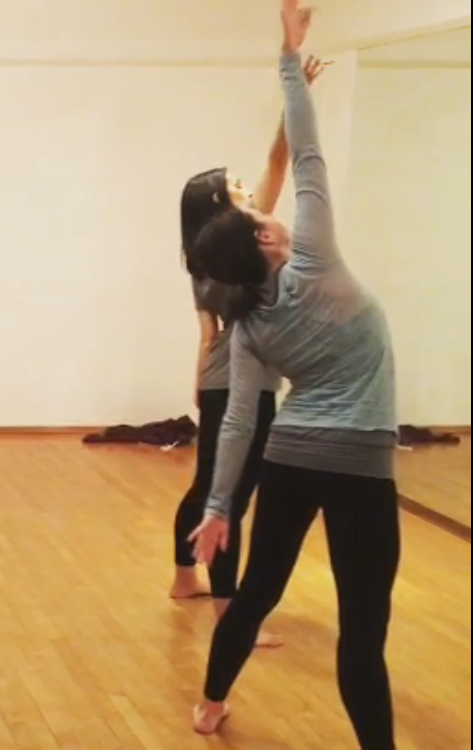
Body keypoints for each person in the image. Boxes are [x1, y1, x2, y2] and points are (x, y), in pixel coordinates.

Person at [188, 5, 399, 747]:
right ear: (265, 242)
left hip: (291, 461)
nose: (264, 214)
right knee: (362, 631)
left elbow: (241, 421)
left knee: (255, 594)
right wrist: (288, 57)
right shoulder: (314, 257)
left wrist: (221, 506)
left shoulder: (247, 326)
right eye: (255, 218)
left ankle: (209, 705)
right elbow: (307, 152)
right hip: (362, 465)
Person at [170, 56, 327, 646]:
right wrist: (296, 96)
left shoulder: (205, 255)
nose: (246, 188)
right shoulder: (231, 250)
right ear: (219, 202)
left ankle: (185, 578)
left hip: (222, 378)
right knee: (230, 496)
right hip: (243, 383)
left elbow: (207, 334)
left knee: (209, 484)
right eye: (234, 185)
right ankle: (228, 613)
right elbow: (279, 164)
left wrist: (199, 382)